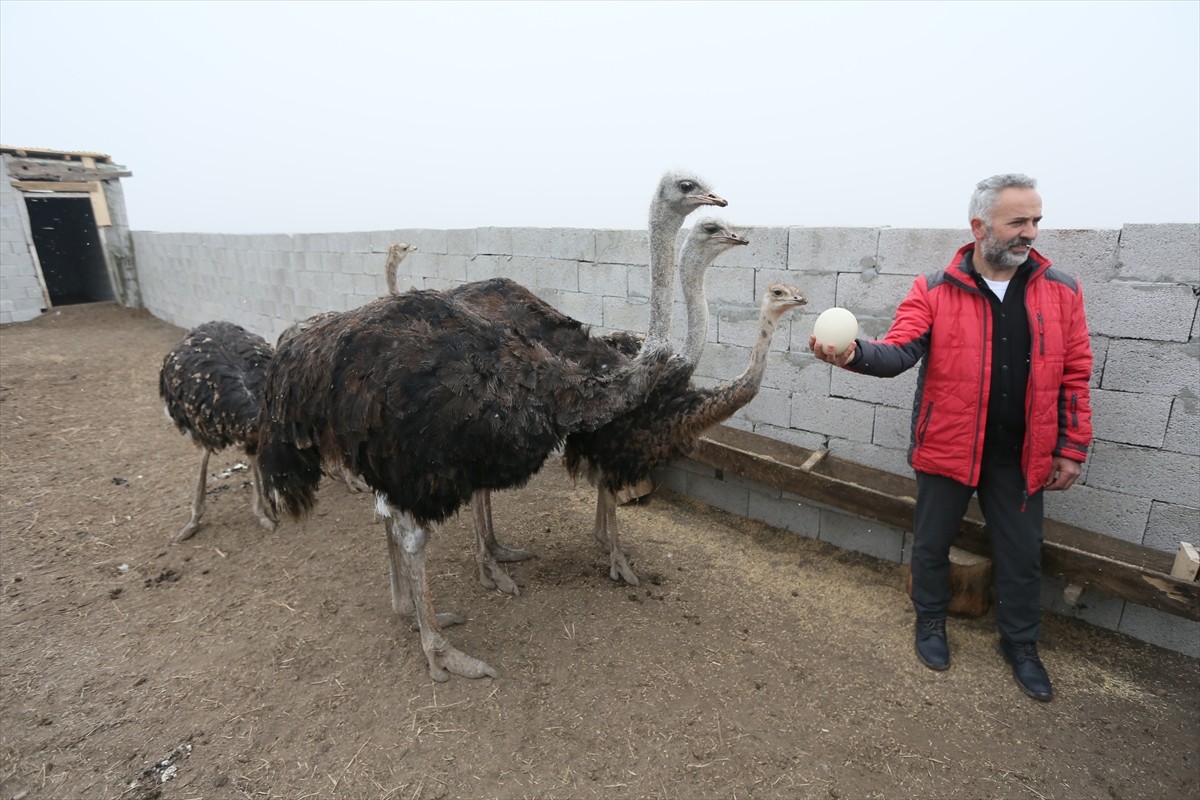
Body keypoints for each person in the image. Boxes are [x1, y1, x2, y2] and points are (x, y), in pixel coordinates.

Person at [809, 174, 1093, 702]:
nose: (1031, 232)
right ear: (979, 226)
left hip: (1022, 456)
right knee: (932, 545)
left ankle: (1020, 644)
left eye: (1036, 221)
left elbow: (1075, 375)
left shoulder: (1062, 291)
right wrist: (854, 354)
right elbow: (899, 351)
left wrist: (1071, 448)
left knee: (1023, 557)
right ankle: (931, 621)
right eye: (1018, 221)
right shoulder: (935, 289)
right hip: (947, 446)